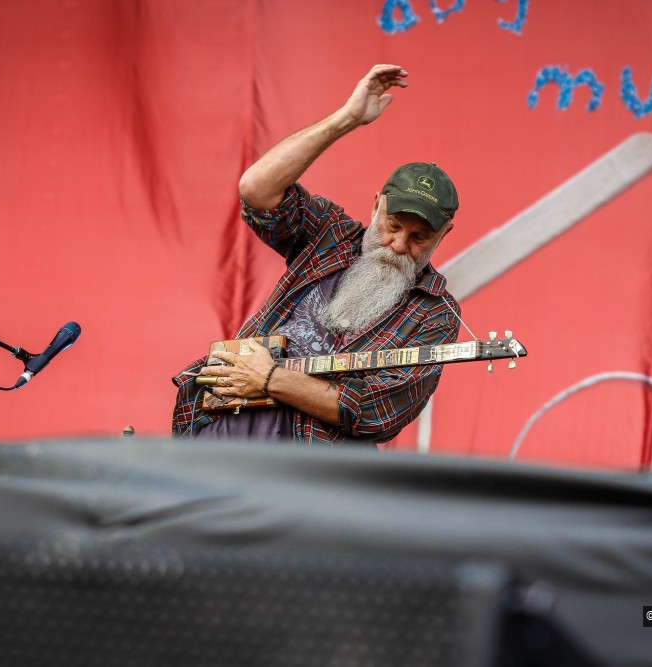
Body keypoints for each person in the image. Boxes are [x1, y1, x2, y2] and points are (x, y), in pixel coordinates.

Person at [171, 64, 461, 446]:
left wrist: (271, 379)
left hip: (310, 472)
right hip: (222, 435)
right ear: (375, 205)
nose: (399, 245)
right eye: (392, 226)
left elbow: (376, 413)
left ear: (445, 235)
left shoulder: (434, 313)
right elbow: (257, 189)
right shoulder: (331, 233)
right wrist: (346, 119)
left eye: (419, 237)